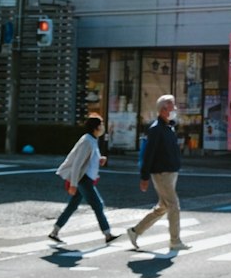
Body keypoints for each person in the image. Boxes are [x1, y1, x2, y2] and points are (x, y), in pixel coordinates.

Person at [127, 94, 187, 254]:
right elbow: (149, 154)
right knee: (173, 205)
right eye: (172, 106)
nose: (175, 109)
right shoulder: (156, 129)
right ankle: (175, 241)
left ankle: (135, 231)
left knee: (163, 207)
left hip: (170, 171)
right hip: (161, 173)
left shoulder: (169, 127)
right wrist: (144, 177)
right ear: (163, 109)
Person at [49, 115, 119, 245]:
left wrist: (100, 160)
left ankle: (55, 231)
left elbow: (88, 160)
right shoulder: (87, 141)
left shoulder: (92, 139)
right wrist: (73, 184)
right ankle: (107, 234)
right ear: (96, 127)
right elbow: (77, 164)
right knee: (98, 205)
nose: (103, 127)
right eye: (101, 124)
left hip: (85, 178)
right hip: (83, 179)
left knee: (73, 205)